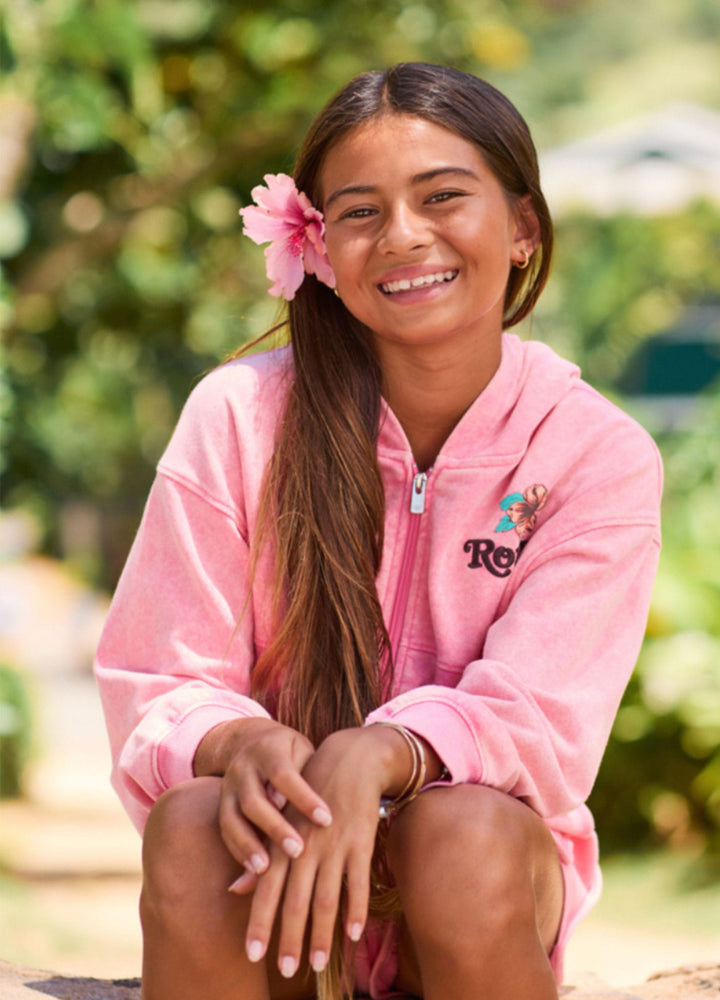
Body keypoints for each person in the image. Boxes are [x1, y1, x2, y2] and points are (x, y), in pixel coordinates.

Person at [95, 62, 662, 1000]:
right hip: (277, 884)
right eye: (359, 212)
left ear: (523, 227)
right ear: (317, 245)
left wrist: (388, 752)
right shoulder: (238, 418)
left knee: (461, 832)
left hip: (477, 886)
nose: (403, 235)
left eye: (443, 197)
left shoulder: (595, 453)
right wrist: (241, 746)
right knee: (193, 826)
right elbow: (158, 677)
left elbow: (544, 719)